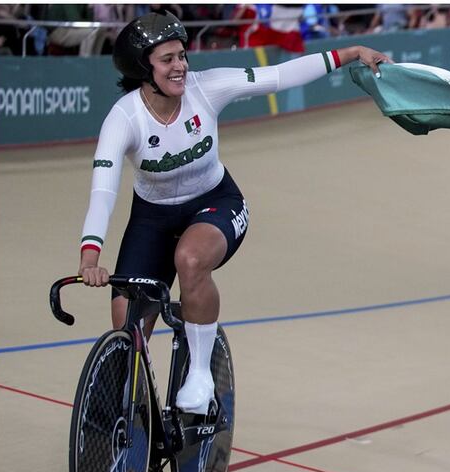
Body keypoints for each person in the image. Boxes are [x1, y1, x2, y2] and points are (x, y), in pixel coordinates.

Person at [77, 11, 392, 414]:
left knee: (190, 260)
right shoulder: (124, 117)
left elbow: (278, 77)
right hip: (152, 218)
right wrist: (91, 256)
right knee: (126, 327)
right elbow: (103, 189)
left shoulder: (207, 88)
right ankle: (138, 410)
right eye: (168, 59)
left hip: (215, 202)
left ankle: (201, 374)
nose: (181, 67)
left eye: (182, 56)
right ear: (143, 68)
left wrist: (351, 52)